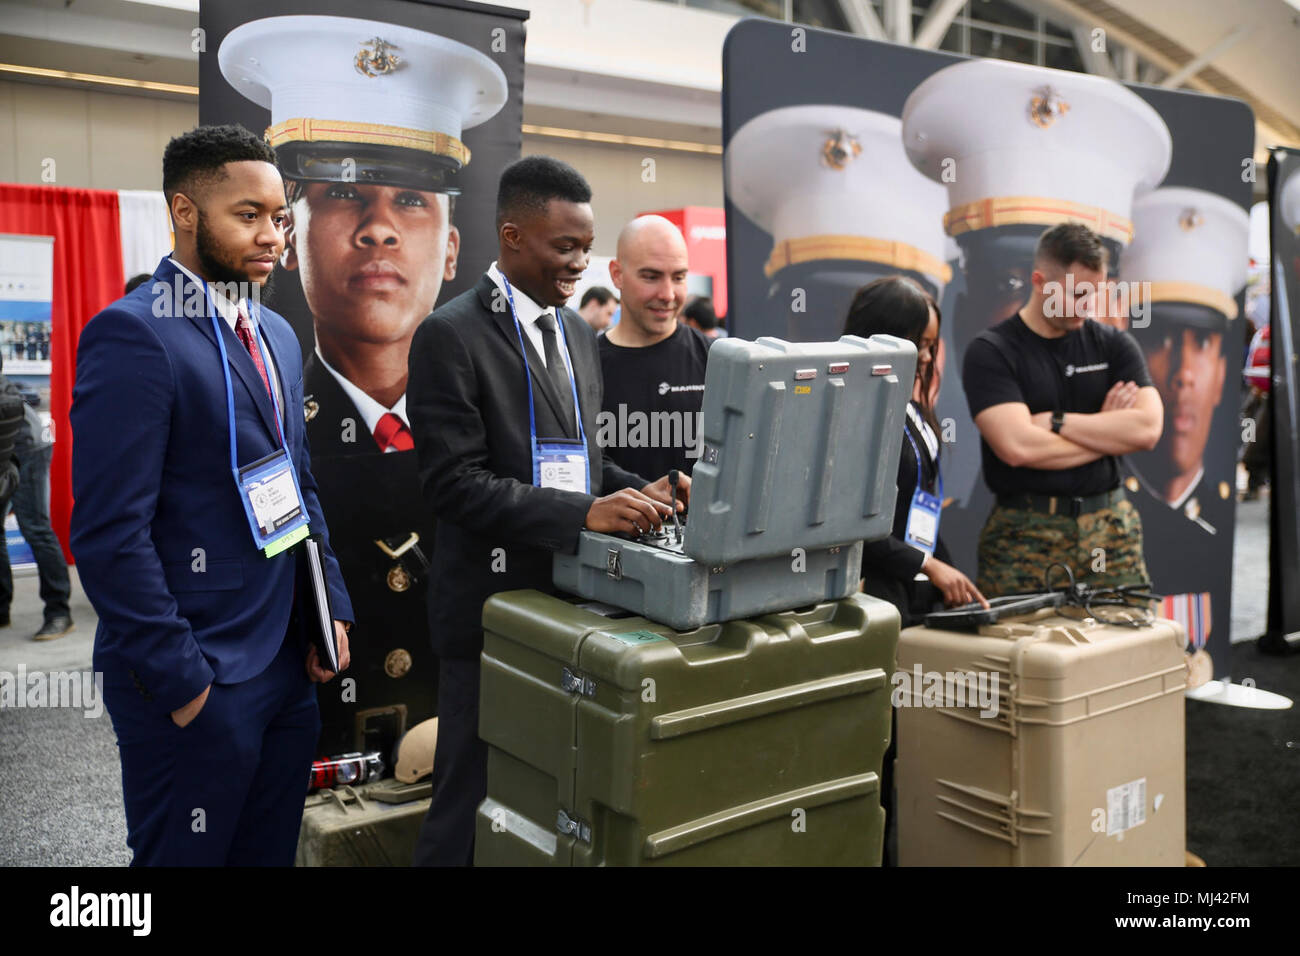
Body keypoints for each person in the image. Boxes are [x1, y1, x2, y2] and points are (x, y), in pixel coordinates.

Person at [218, 14, 509, 761]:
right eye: (345, 196)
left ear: (449, 251)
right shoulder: (250, 405)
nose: (380, 228)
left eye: (411, 202)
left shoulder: (495, 411)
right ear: (290, 237)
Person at [69, 125, 354, 866]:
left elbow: (300, 482)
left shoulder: (278, 332)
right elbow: (106, 533)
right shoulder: (133, 335)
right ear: (185, 212)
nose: (272, 235)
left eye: (279, 217)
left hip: (288, 662)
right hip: (196, 677)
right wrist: (184, 681)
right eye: (248, 215)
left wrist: (330, 610)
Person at [406, 156, 686, 866]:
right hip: (489, 617)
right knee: (466, 802)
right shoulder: (450, 335)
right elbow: (455, 486)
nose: (580, 263)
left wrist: (640, 489)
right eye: (565, 247)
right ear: (512, 236)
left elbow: (582, 462)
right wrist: (583, 515)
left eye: (585, 247)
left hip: (571, 609)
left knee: (546, 800)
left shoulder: (578, 335)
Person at [963, 223, 1163, 597]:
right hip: (1025, 534)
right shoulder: (992, 351)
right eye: (1077, 295)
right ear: (1039, 282)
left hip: (1110, 529)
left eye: (1095, 294)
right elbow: (1018, 447)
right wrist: (1109, 433)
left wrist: (1057, 422)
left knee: (1127, 646)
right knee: (1021, 650)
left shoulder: (1114, 345)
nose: (1087, 307)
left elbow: (1148, 430)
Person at [846, 277, 986, 622]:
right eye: (918, 344)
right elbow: (852, 524)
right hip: (871, 592)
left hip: (913, 587)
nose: (925, 357)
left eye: (931, 345)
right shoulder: (850, 411)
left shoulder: (909, 405)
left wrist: (949, 577)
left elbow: (918, 508)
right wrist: (927, 564)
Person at [599, 215, 712, 480]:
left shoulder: (716, 361)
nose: (668, 294)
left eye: (679, 277)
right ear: (617, 275)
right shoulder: (582, 365)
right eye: (651, 277)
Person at [0, 355, 73, 639]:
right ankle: (1, 609)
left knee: (35, 527)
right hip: (8, 449)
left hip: (28, 447)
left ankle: (59, 612)